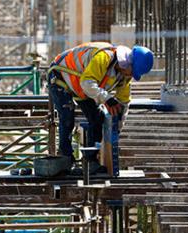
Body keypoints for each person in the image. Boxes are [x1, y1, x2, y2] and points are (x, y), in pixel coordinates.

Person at [47, 41, 154, 174]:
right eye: (133, 71)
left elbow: (124, 103)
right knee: (67, 117)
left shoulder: (125, 76)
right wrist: (107, 99)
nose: (131, 75)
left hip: (80, 86)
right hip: (60, 76)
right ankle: (65, 159)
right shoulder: (104, 58)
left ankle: (91, 161)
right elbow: (87, 83)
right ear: (128, 62)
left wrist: (117, 128)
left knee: (97, 118)